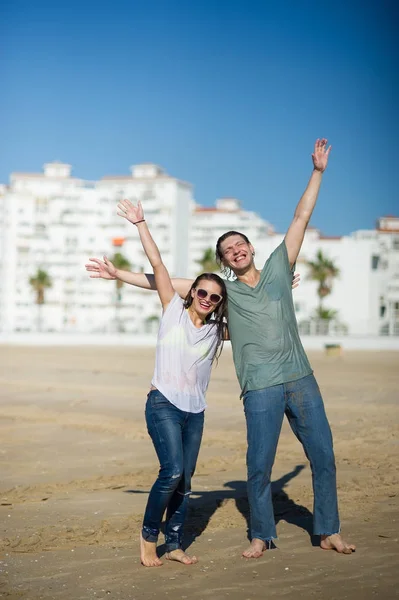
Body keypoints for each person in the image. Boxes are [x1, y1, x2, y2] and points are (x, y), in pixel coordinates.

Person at [86, 138, 355, 558]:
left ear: (251, 248)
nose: (236, 250)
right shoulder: (221, 294)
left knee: (323, 455)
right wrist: (117, 273)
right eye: (228, 250)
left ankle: (328, 530)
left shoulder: (280, 269)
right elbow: (163, 279)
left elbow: (302, 216)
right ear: (225, 261)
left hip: (301, 378)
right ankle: (261, 535)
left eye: (240, 244)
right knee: (258, 468)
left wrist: (318, 172)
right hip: (260, 388)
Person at [114, 199, 228, 567]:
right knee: (172, 470)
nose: (208, 299)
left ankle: (175, 543)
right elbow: (158, 265)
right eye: (202, 292)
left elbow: (258, 317)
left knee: (186, 480)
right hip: (163, 403)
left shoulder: (218, 332)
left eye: (215, 297)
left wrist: (280, 289)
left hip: (196, 412)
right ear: (191, 292)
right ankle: (149, 538)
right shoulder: (172, 312)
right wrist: (141, 222)